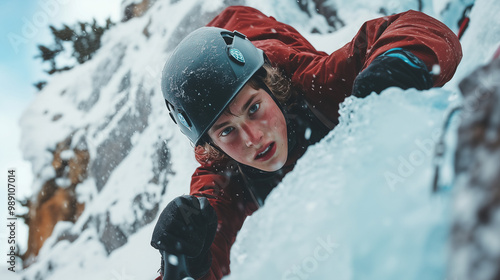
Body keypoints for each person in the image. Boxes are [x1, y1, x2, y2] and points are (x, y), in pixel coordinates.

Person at [150, 6, 462, 280]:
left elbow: (414, 27)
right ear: (213, 148)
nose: (253, 138)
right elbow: (210, 242)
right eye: (227, 131)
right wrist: (184, 266)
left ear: (271, 88)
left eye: (254, 108)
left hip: (266, 41)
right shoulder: (223, 175)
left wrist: (397, 65)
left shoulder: (315, 86)